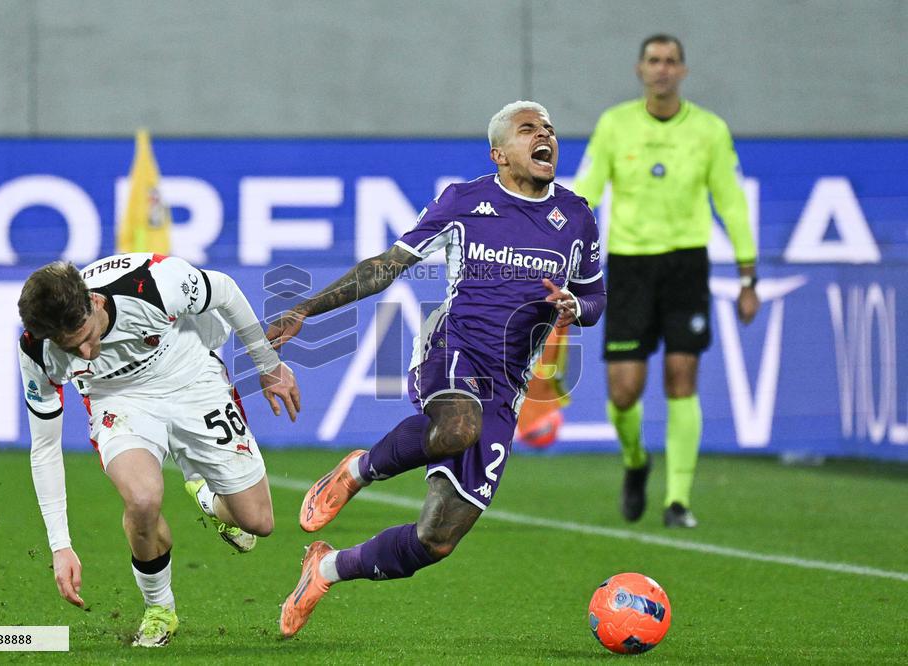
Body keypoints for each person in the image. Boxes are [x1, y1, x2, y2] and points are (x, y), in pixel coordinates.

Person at [269, 101, 606, 638]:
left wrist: (575, 308)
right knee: (455, 428)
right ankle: (357, 472)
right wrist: (307, 308)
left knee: (437, 538)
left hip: (507, 383)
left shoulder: (578, 217)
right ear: (499, 154)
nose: (545, 136)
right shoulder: (466, 201)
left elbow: (594, 296)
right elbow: (387, 266)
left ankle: (324, 569)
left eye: (549, 129)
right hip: (453, 347)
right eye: (528, 130)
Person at [17, 252, 300, 647]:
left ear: (95, 303)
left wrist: (268, 365)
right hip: (119, 400)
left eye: (85, 337)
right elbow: (45, 448)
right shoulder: (37, 351)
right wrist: (60, 545)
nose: (85, 354)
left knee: (259, 522)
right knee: (143, 499)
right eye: (71, 348)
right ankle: (159, 608)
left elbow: (226, 291)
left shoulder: (153, 284)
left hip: (192, 379)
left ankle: (207, 498)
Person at [574, 34, 759, 528]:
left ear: (683, 71)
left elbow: (732, 201)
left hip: (685, 265)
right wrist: (554, 243)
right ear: (640, 69)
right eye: (654, 61)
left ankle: (678, 500)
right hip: (630, 265)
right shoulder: (615, 125)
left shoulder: (709, 130)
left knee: (682, 378)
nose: (662, 70)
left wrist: (748, 274)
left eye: (671, 62)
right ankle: (635, 460)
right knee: (623, 392)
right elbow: (585, 192)